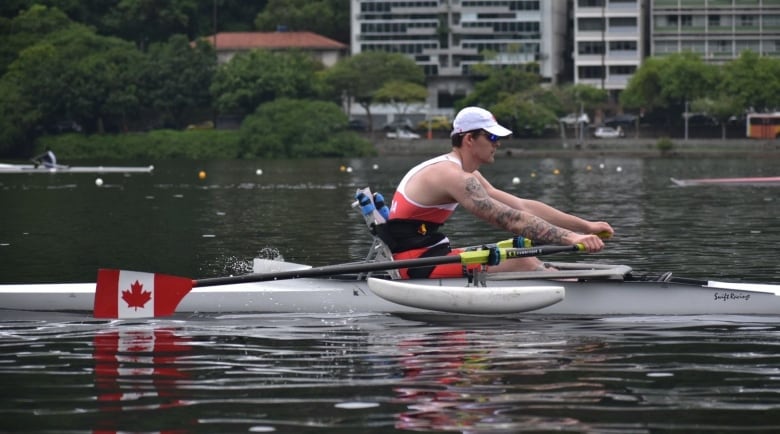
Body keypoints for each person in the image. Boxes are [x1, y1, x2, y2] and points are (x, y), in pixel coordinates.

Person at [380, 106, 614, 279]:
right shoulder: (451, 176)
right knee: (522, 259)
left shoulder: (465, 173)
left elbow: (521, 206)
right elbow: (511, 219)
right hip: (413, 264)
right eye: (491, 137)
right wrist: (572, 238)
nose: (498, 144)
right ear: (469, 139)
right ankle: (576, 293)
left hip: (431, 254)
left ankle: (569, 285)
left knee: (522, 253)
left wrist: (586, 227)